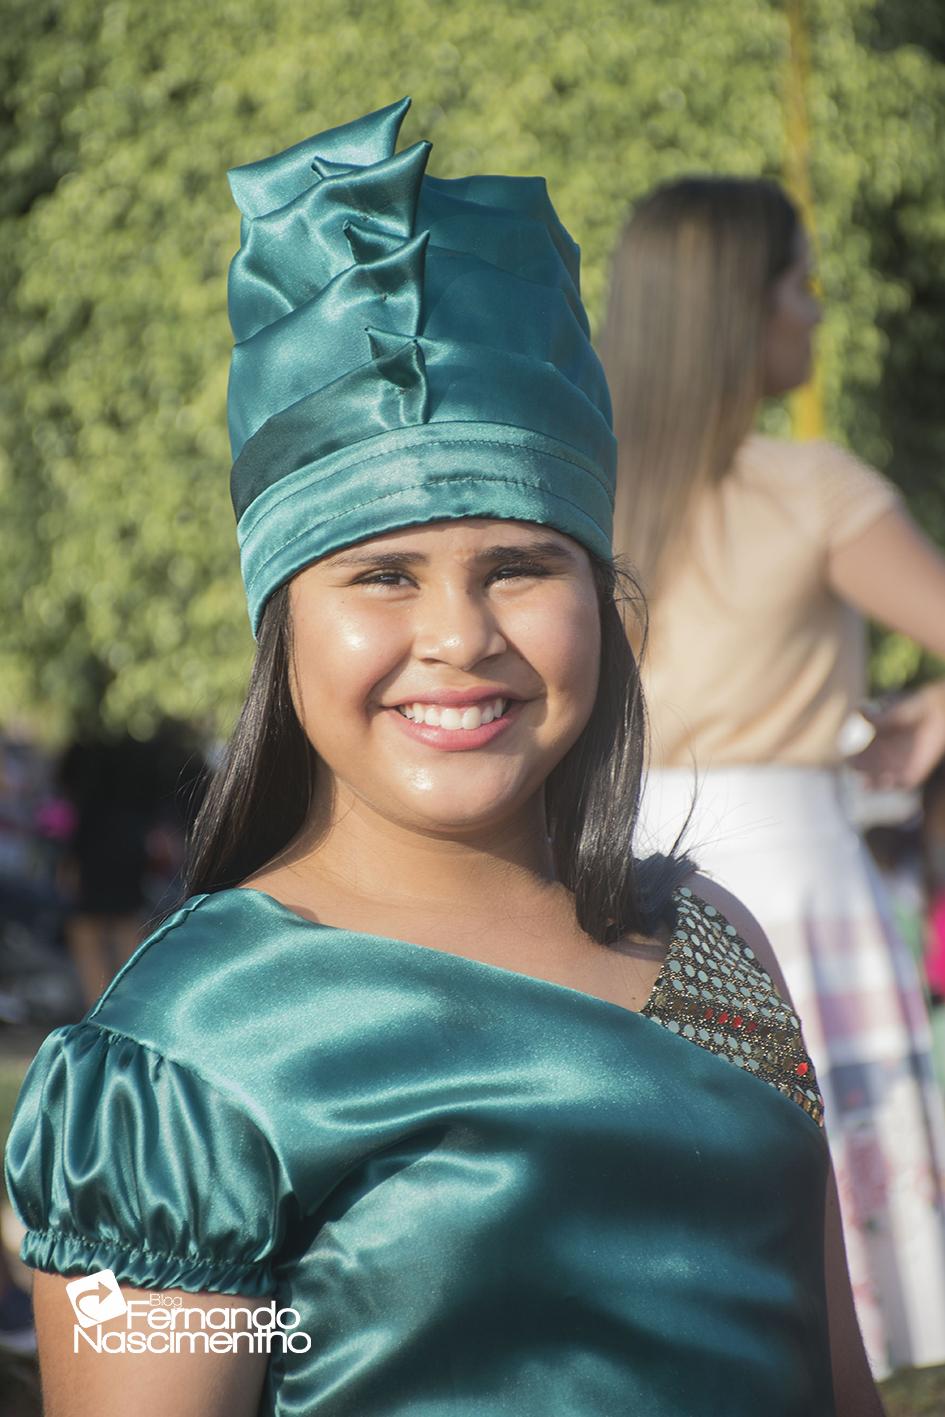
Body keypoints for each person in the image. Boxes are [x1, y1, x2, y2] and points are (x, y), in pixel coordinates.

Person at [3, 101, 882, 1416]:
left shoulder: (709, 942)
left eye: (521, 567)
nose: (459, 637)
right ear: (281, 618)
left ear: (601, 591)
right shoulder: (187, 1059)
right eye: (382, 575)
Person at [598, 174, 945, 1378]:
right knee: (820, 1205)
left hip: (620, 866)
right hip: (790, 869)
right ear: (739, 310)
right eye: (800, 280)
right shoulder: (814, 487)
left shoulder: (578, 492)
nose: (818, 305)